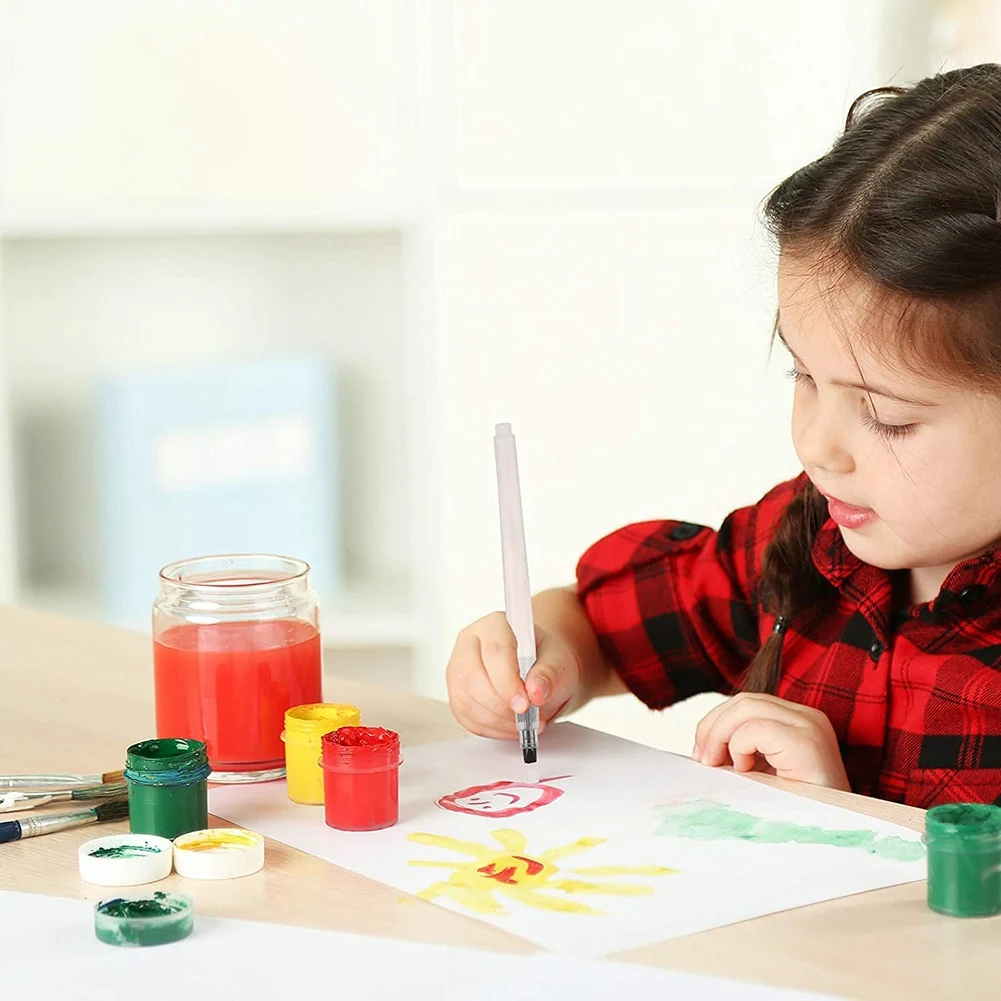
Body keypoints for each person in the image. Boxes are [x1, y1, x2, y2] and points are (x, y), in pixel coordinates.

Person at [445, 65, 1001, 809]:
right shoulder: (810, 538)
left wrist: (842, 820)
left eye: (886, 416)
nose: (816, 446)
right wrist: (538, 656)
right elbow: (598, 628)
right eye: (803, 377)